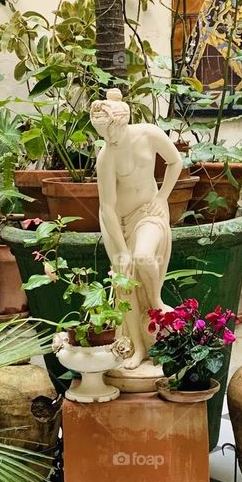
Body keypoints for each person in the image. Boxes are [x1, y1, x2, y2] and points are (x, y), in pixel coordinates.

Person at [91, 89, 184, 369]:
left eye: (112, 132)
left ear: (122, 122)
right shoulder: (106, 156)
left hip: (149, 212)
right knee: (125, 282)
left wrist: (161, 197)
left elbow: (175, 162)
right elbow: (107, 207)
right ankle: (138, 347)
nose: (109, 140)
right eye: (103, 134)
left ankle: (156, 300)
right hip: (117, 224)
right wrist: (121, 250)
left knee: (144, 257)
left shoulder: (149, 133)